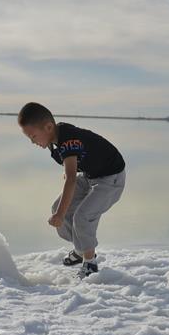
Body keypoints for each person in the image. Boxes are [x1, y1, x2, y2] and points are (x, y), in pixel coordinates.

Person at [18, 102, 125, 278]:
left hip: (111, 179)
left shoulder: (68, 140)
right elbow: (72, 167)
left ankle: (90, 263)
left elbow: (71, 179)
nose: (32, 142)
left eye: (34, 136)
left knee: (82, 216)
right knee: (58, 208)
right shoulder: (55, 138)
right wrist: (60, 211)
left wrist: (60, 214)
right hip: (91, 175)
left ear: (48, 127)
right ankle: (80, 249)